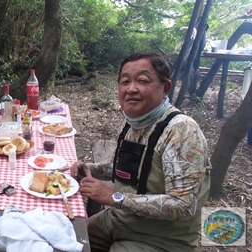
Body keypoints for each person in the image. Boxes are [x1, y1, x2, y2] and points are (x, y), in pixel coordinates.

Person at [71, 52, 211, 251]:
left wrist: (115, 197)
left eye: (143, 81)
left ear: (165, 88)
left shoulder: (181, 131)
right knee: (68, 236)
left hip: (159, 238)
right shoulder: (133, 122)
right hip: (119, 220)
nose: (131, 89)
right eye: (125, 81)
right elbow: (122, 168)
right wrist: (89, 168)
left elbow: (183, 205)